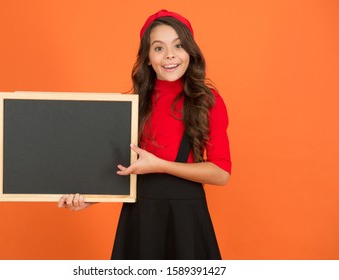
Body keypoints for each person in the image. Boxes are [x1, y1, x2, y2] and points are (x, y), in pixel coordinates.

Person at [58, 9, 231, 260]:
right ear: (148, 58)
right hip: (139, 219)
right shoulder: (132, 105)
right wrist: (89, 199)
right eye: (158, 48)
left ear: (190, 52)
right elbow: (120, 171)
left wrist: (160, 165)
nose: (170, 55)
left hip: (186, 222)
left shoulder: (208, 101)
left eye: (178, 45)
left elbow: (221, 173)